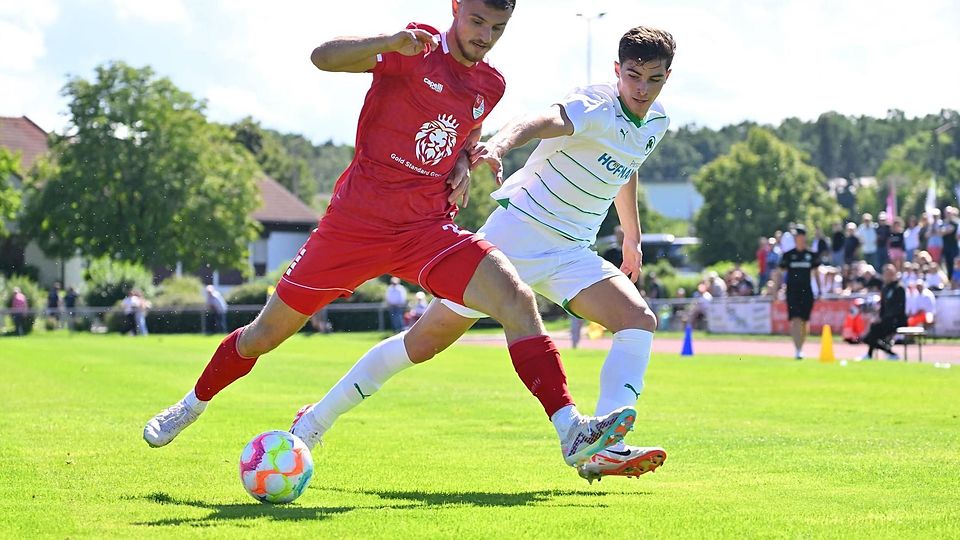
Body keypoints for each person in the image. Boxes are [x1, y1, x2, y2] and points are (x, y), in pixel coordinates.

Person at [145, 0, 637, 472]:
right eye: (477, 21)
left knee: (515, 297)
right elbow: (322, 58)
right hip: (351, 228)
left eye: (496, 29)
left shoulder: (491, 83)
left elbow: (464, 133)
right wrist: (389, 42)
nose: (484, 36)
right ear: (455, 7)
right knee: (262, 337)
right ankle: (192, 403)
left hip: (425, 230)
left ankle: (571, 429)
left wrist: (466, 164)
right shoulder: (413, 48)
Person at [290, 25, 676, 483]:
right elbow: (537, 121)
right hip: (515, 237)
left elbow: (626, 164)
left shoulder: (656, 122)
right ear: (617, 70)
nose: (641, 88)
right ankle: (313, 421)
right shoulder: (594, 105)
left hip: (571, 250)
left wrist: (631, 236)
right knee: (422, 343)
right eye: (633, 75)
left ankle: (602, 446)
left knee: (638, 321)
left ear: (667, 77)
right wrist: (498, 144)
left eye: (653, 79)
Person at [772, 225, 821, 359]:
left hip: (807, 291)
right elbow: (779, 273)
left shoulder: (811, 255)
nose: (796, 238)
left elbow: (816, 273)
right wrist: (775, 291)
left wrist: (820, 290)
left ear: (803, 237)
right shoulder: (788, 255)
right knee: (795, 319)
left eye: (798, 235)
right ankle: (798, 349)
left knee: (804, 321)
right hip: (792, 291)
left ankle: (801, 346)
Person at [858, 264, 906, 360]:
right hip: (886, 320)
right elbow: (883, 307)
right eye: (886, 274)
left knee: (873, 333)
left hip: (896, 321)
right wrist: (878, 317)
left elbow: (898, 308)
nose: (888, 277)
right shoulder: (885, 288)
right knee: (870, 335)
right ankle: (889, 353)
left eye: (890, 274)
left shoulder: (899, 288)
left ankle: (871, 354)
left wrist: (883, 318)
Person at [941, 206, 959, 277]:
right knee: (947, 265)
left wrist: (944, 230)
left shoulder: (955, 223)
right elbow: (941, 232)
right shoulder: (943, 222)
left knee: (955, 265)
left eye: (949, 213)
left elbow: (948, 230)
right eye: (946, 213)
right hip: (946, 247)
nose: (947, 214)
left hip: (954, 248)